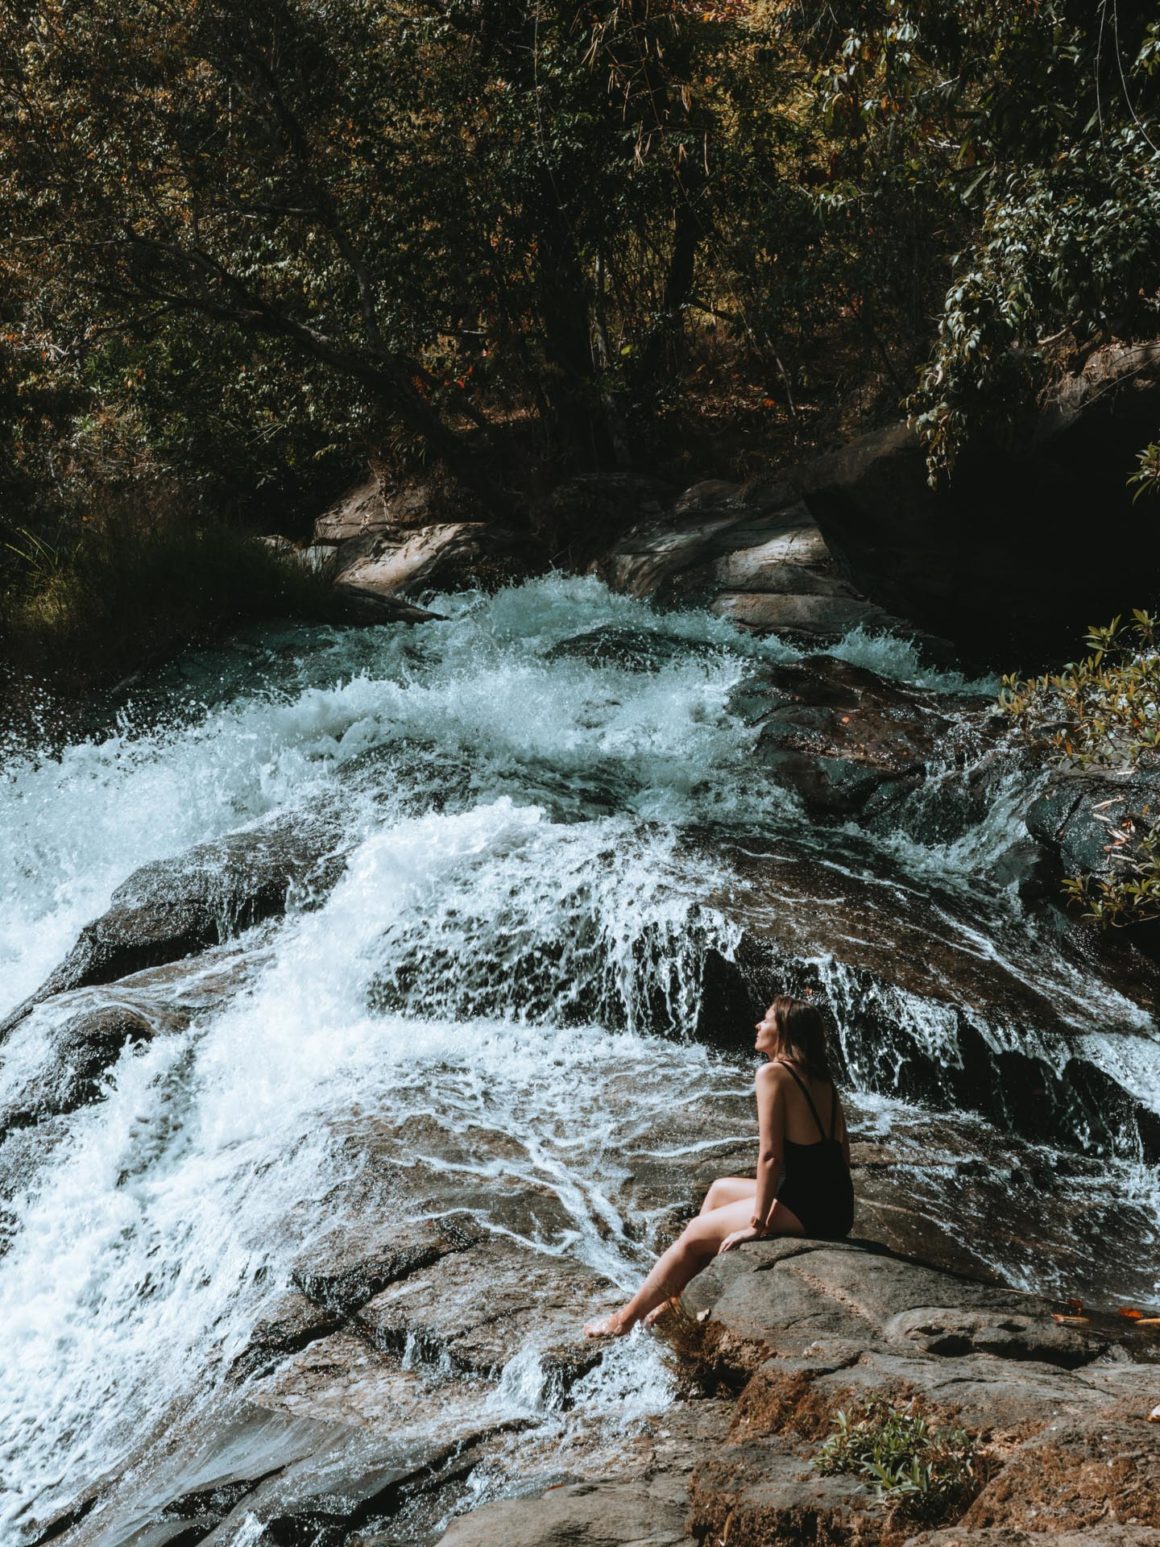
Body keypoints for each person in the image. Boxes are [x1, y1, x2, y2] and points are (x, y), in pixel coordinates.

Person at [584, 995, 853, 1338]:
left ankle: (623, 1320)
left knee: (694, 1235)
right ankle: (679, 1295)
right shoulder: (824, 1081)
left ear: (784, 1031)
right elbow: (841, 1157)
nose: (758, 1025)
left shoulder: (773, 1073)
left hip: (809, 1206)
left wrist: (757, 1224)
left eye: (767, 1020)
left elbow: (771, 1156)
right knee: (720, 1190)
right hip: (837, 1205)